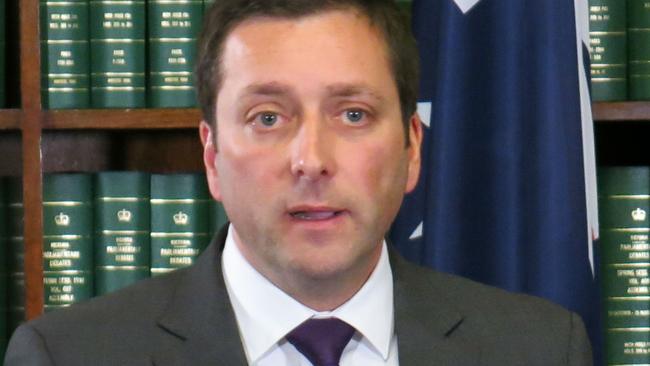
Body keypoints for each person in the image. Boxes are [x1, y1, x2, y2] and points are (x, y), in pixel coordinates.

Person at [5, 0, 592, 365]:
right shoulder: (69, 357)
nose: (311, 160)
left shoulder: (538, 350)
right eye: (268, 118)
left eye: (353, 114)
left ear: (413, 147)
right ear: (210, 155)